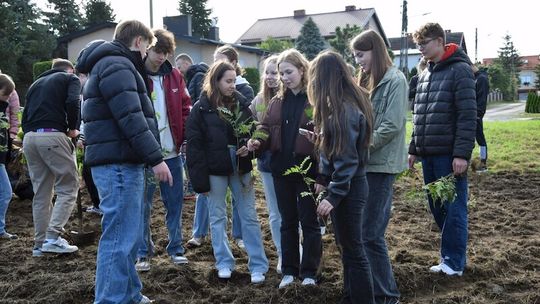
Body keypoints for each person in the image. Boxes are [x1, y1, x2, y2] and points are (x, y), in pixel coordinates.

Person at [75, 20, 172, 304]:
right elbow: (131, 117)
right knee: (119, 236)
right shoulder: (117, 66)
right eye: (148, 46)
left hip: (119, 161)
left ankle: (129, 293)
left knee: (126, 234)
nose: (146, 54)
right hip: (117, 164)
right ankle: (109, 299)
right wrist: (155, 158)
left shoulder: (111, 65)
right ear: (139, 42)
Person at [185, 61, 268, 283]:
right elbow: (194, 146)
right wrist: (199, 181)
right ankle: (223, 262)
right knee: (217, 216)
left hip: (240, 168)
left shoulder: (241, 104)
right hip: (215, 170)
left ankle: (258, 265)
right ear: (216, 81)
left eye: (234, 80)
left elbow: (257, 132)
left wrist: (249, 144)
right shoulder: (200, 109)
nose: (233, 85)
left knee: (249, 216)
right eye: (228, 81)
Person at [248, 49, 322, 288]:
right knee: (287, 221)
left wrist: (317, 139)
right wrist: (257, 141)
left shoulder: (314, 101)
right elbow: (265, 127)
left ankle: (310, 273)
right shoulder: (277, 102)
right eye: (281, 74)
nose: (284, 78)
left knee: (309, 222)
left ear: (302, 70)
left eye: (289, 72)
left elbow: (320, 128)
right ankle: (289, 271)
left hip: (306, 171)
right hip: (281, 170)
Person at [409, 22, 476, 277]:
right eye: (418, 45)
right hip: (428, 153)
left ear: (439, 41)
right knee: (437, 206)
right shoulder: (427, 72)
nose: (420, 48)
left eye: (424, 43)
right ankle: (449, 256)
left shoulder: (459, 70)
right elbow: (419, 114)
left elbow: (467, 115)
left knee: (454, 206)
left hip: (449, 155)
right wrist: (413, 148)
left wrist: (461, 154)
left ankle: (454, 262)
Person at [309, 50, 375, 304]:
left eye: (315, 77)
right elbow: (334, 150)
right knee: (347, 249)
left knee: (354, 250)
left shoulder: (345, 110)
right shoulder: (338, 106)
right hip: (346, 184)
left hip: (351, 187)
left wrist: (333, 195)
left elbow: (348, 160)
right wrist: (323, 179)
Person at [351, 29, 408, 304]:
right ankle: (369, 291)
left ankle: (387, 295)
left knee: (371, 234)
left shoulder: (395, 80)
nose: (358, 60)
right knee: (363, 233)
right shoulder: (366, 79)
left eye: (361, 55)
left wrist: (360, 144)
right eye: (355, 56)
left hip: (381, 166)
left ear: (375, 50)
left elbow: (392, 125)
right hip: (364, 164)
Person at [135, 28, 191, 272]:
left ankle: (176, 247)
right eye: (158, 51)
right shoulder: (135, 74)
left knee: (175, 202)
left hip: (172, 152)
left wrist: (185, 136)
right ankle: (143, 252)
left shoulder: (175, 76)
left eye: (166, 53)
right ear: (147, 48)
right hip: (145, 154)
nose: (161, 57)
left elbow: (185, 107)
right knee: (143, 205)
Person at [22, 58, 81, 256]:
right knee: (69, 185)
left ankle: (40, 244)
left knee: (41, 192)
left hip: (30, 138)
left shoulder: (35, 84)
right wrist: (73, 128)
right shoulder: (69, 79)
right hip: (53, 135)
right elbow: (73, 101)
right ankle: (53, 237)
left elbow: (25, 115)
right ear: (70, 70)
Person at [248, 55, 283, 273]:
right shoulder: (259, 101)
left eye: (275, 73)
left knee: (294, 209)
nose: (270, 77)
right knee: (274, 211)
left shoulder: (293, 98)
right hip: (268, 162)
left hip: (290, 161)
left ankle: (296, 248)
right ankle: (282, 253)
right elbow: (253, 127)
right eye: (268, 73)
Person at [74, 71, 101, 215]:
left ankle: (101, 205)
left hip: (95, 139)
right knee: (87, 172)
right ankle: (98, 205)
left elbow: (88, 116)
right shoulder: (85, 91)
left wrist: (82, 137)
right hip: (90, 137)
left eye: (80, 77)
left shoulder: (90, 89)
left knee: (90, 172)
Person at [0, 73, 17, 240]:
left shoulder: (3, 107)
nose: (8, 98)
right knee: (5, 192)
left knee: (5, 192)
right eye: (5, 94)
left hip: (1, 160)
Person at [472, 64, 489, 172]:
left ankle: (483, 163)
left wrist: (478, 114)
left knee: (480, 138)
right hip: (471, 113)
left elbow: (482, 98)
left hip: (476, 114)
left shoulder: (481, 79)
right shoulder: (474, 78)